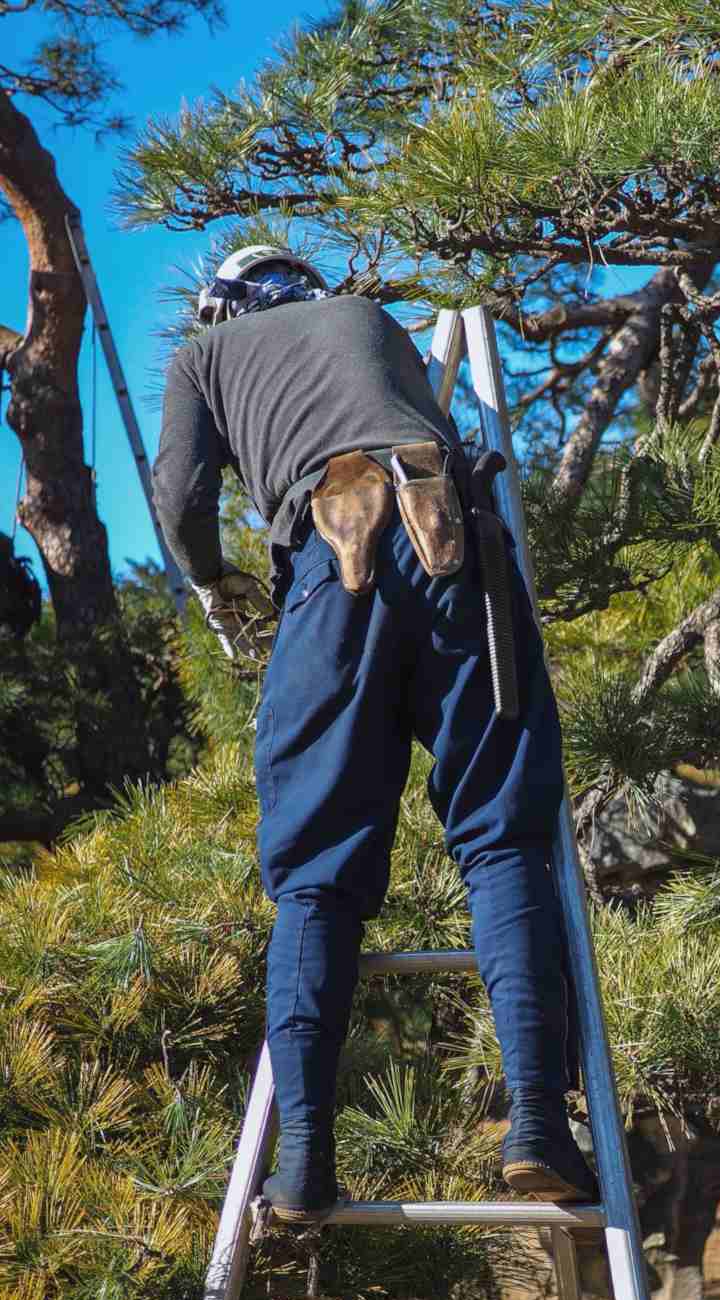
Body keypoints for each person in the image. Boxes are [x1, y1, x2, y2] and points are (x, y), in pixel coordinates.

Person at [153, 244, 595, 1223]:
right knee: (504, 837)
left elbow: (180, 495)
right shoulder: (373, 323)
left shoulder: (203, 356)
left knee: (317, 871)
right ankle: (539, 1126)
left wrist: (211, 581)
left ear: (219, 309)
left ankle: (305, 1156)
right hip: (456, 537)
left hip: (330, 557)